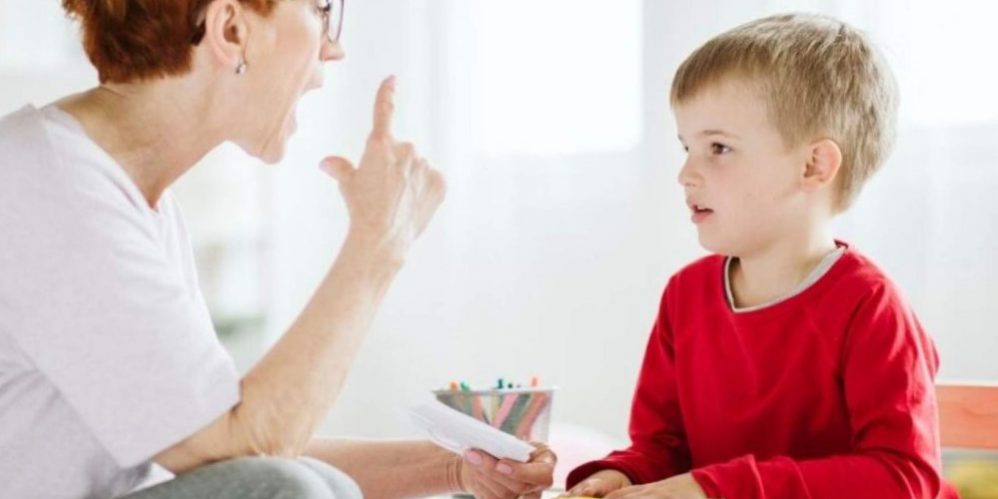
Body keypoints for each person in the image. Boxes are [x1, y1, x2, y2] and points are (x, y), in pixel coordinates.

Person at [0, 0, 555, 497]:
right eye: (320, 10)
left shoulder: (120, 197)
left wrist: (458, 468)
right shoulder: (49, 187)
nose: (333, 49)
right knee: (292, 488)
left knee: (319, 486)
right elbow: (247, 455)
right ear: (232, 29)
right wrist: (379, 242)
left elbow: (230, 453)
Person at [563, 13, 956, 499]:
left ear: (813, 166)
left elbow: (904, 479)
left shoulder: (871, 307)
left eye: (718, 147)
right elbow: (663, 447)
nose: (686, 174)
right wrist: (623, 476)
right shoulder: (685, 295)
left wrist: (714, 488)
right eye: (687, 147)